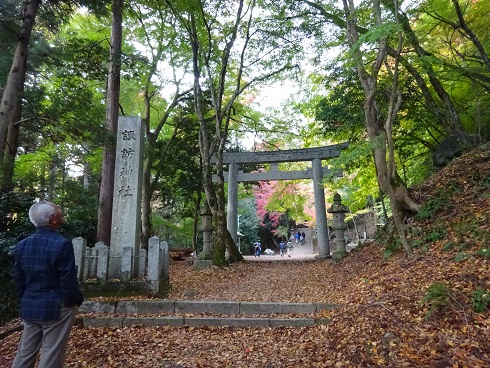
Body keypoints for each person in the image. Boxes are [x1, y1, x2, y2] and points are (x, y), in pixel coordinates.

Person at [12, 201, 84, 368]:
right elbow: (68, 279)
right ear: (53, 218)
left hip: (30, 304)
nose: (61, 211)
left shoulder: (22, 245)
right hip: (56, 306)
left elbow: (19, 277)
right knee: (51, 353)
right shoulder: (62, 244)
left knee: (25, 352)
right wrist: (71, 301)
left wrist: (25, 299)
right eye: (58, 209)